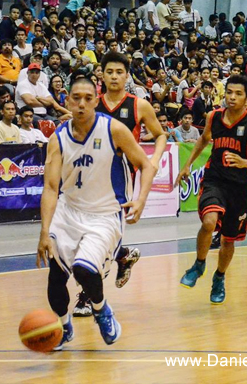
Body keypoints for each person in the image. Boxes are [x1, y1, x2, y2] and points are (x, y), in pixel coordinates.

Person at [36, 77, 156, 350]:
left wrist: (140, 199)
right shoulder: (58, 139)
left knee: (83, 270)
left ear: (96, 99)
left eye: (87, 98)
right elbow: (51, 187)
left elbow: (146, 165)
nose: (81, 104)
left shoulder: (113, 129)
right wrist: (44, 231)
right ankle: (64, 327)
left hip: (104, 215)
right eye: (75, 98)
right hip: (68, 212)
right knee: (55, 277)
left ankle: (102, 310)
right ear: (67, 101)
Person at [66, 52, 166, 317]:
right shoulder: (91, 103)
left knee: (98, 239)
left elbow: (160, 134)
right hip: (87, 174)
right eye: (109, 71)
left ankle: (87, 297)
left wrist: (154, 159)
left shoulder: (139, 105)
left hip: (118, 176)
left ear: (126, 75)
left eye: (119, 72)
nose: (113, 76)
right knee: (79, 236)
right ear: (101, 74)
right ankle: (122, 255)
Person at [175, 75, 247, 304]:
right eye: (229, 92)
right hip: (214, 179)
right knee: (208, 222)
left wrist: (244, 162)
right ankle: (199, 264)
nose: (232, 97)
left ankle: (219, 277)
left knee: (228, 239)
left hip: (240, 187)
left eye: (238, 94)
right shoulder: (214, 116)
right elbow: (203, 140)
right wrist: (187, 165)